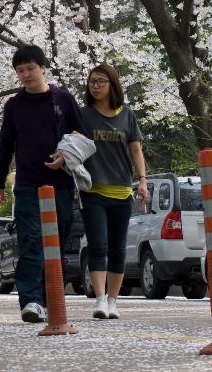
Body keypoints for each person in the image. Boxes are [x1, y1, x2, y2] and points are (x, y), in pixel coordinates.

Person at [0, 44, 89, 323]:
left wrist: (65, 156)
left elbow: (82, 134)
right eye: (20, 70)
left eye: (30, 68)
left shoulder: (64, 99)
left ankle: (50, 298)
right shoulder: (14, 106)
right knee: (30, 239)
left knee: (55, 242)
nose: (26, 74)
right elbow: (5, 145)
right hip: (27, 183)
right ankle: (31, 300)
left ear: (43, 68)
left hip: (60, 184)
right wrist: (0, 182)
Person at [79, 64, 148, 320]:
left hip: (121, 192)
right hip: (92, 191)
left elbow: (136, 150)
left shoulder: (127, 115)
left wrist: (142, 180)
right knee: (98, 245)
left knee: (118, 249)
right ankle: (99, 300)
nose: (95, 86)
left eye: (100, 81)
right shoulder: (83, 115)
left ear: (112, 85)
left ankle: (113, 301)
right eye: (91, 82)